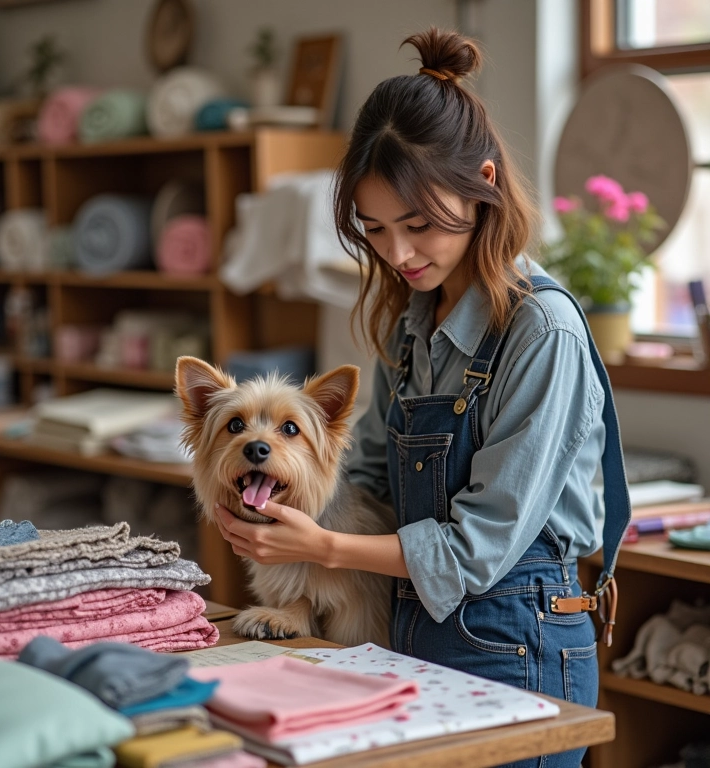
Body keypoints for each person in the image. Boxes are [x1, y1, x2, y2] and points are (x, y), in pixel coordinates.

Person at [214, 27, 630, 768]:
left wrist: (326, 545)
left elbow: (481, 545)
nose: (398, 255)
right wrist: (282, 503)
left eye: (419, 225)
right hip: (408, 629)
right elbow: (369, 476)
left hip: (518, 644)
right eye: (374, 230)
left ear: (485, 186)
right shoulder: (412, 325)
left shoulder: (544, 331)